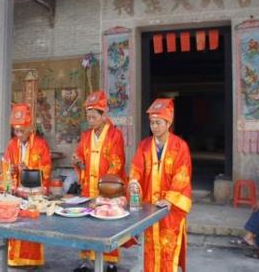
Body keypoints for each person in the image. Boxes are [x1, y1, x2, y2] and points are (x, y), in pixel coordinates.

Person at [129, 98, 192, 272]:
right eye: (152, 123)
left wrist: (169, 199)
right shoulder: (144, 145)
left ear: (168, 122)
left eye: (158, 123)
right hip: (150, 206)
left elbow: (182, 176)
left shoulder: (180, 146)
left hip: (170, 208)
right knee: (150, 248)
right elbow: (136, 169)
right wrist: (134, 183)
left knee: (167, 248)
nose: (154, 127)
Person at [72, 91, 126, 272]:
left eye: (94, 116)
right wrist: (78, 160)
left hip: (108, 190)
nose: (91, 120)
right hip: (88, 187)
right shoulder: (86, 135)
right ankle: (86, 261)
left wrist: (105, 185)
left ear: (104, 115)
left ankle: (110, 262)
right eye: (88, 117)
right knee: (87, 224)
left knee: (107, 224)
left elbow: (117, 162)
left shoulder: (115, 135)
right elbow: (79, 153)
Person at [3, 103, 51, 268]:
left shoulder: (40, 144)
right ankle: (14, 259)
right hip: (16, 192)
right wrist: (14, 169)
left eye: (21, 130)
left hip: (33, 194)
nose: (18, 134)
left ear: (30, 128)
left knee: (31, 227)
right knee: (15, 225)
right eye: (16, 130)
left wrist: (28, 171)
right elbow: (6, 168)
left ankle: (32, 260)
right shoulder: (11, 145)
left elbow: (46, 169)